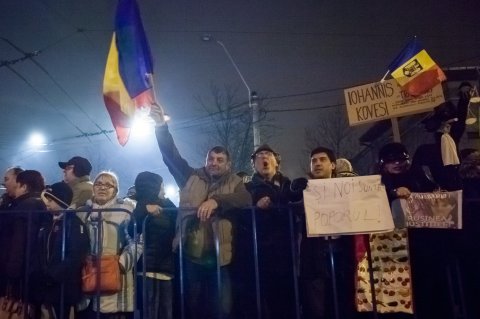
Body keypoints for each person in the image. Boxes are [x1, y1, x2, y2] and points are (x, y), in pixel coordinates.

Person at [150, 103, 251, 319]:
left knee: (221, 309)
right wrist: (160, 126)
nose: (214, 163)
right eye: (210, 159)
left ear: (228, 164)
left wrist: (216, 201)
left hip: (220, 258)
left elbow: (245, 199)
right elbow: (171, 156)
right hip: (189, 257)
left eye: (219, 160)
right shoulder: (190, 176)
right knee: (191, 308)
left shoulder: (236, 182)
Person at [234, 144, 303, 318]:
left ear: (276, 161)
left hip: (287, 255)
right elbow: (240, 218)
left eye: (268, 154)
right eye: (259, 156)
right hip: (258, 257)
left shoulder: (289, 186)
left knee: (286, 304)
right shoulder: (246, 189)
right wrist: (255, 208)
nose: (264, 158)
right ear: (254, 164)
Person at [294, 147, 356, 319]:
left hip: (341, 254)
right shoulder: (303, 189)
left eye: (322, 159)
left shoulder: (347, 189)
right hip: (314, 258)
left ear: (333, 165)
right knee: (317, 308)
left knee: (342, 303)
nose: (317, 163)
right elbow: (292, 205)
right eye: (314, 160)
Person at [81, 171, 137, 318]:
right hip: (88, 276)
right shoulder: (82, 211)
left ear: (116, 190)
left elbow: (137, 240)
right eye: (98, 184)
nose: (102, 188)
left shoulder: (126, 210)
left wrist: (122, 263)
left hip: (115, 278)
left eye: (108, 185)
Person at [31, 182, 90, 319]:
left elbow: (76, 255)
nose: (47, 202)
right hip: (46, 287)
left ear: (60, 200)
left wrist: (53, 275)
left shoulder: (73, 223)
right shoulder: (48, 222)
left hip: (64, 287)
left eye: (51, 199)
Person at [129, 171, 177, 319]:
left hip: (166, 268)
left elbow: (179, 222)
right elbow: (131, 228)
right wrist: (144, 209)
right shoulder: (134, 205)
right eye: (161, 186)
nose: (163, 190)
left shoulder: (168, 206)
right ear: (153, 187)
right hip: (146, 269)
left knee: (166, 312)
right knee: (149, 312)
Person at [0, 170, 47, 306]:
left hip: (22, 272)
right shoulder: (41, 204)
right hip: (34, 270)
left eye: (18, 185)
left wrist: (12, 272)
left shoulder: (25, 206)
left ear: (24, 187)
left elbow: (18, 242)